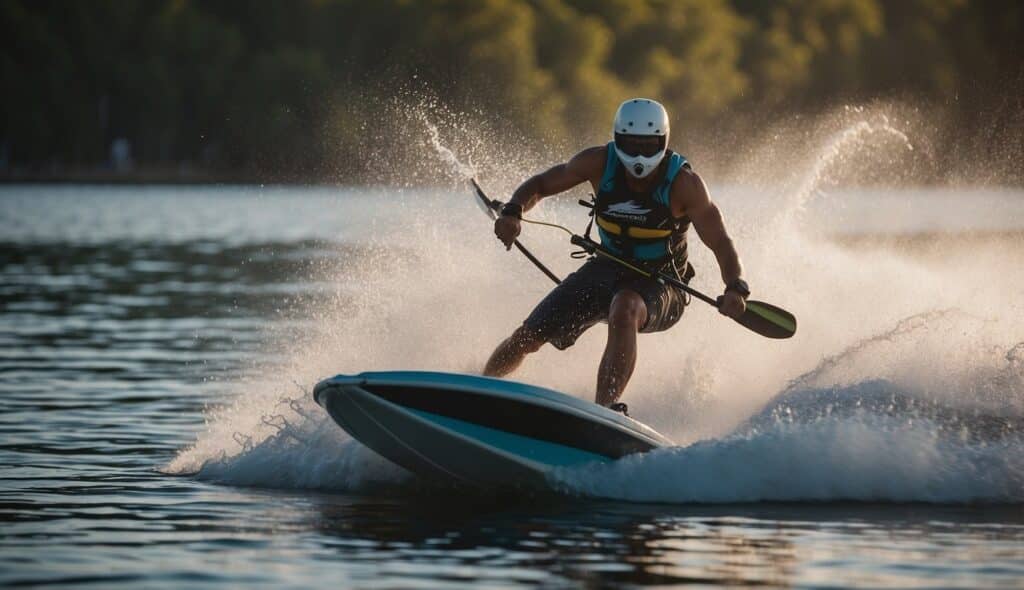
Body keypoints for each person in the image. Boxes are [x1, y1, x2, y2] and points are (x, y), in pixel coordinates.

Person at [483, 98, 749, 415]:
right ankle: (480, 389)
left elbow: (721, 241)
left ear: (663, 142)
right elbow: (541, 184)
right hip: (605, 270)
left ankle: (605, 411)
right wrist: (513, 211)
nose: (638, 155)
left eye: (648, 146)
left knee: (625, 306)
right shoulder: (597, 162)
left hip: (663, 286)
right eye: (630, 145)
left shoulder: (685, 184)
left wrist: (735, 286)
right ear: (617, 138)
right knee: (527, 336)